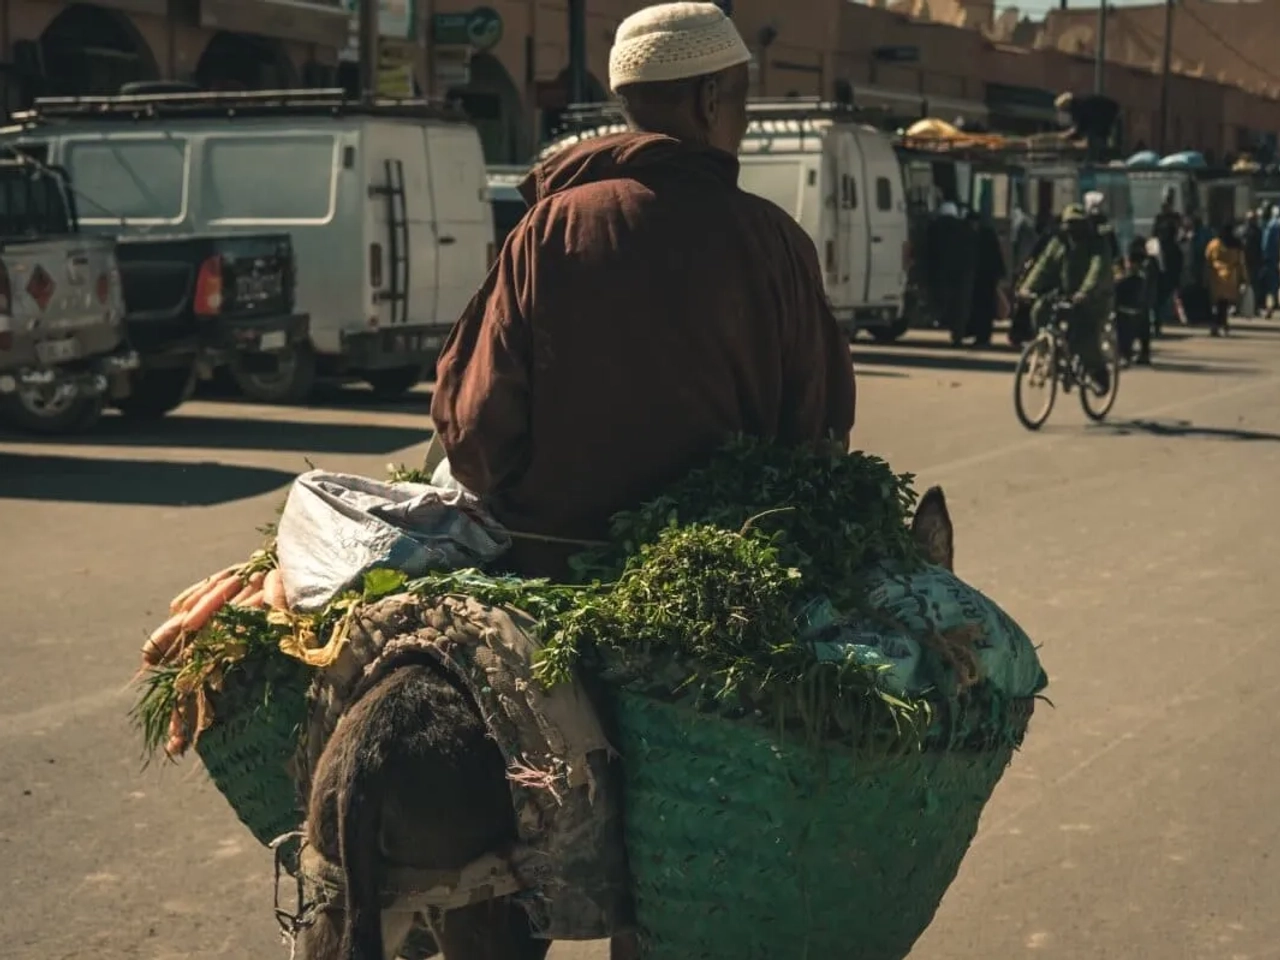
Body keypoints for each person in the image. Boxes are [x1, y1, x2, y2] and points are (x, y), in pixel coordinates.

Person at [430, 1, 856, 583]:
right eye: (742, 103)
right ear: (709, 100)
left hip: (554, 568)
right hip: (727, 583)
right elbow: (822, 437)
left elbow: (477, 429)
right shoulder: (774, 239)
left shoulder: (545, 228)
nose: (746, 122)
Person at [1018, 203, 1115, 392]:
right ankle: (1046, 350)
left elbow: (1097, 270)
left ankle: (1097, 373)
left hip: (1094, 298)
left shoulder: (1097, 243)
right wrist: (1027, 288)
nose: (1072, 229)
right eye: (1069, 224)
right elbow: (1043, 266)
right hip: (1064, 292)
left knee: (1084, 336)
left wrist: (1085, 292)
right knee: (1039, 310)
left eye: (1076, 224)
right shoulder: (1058, 243)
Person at [925, 201, 977, 344]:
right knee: (961, 303)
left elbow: (929, 250)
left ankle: (939, 319)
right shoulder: (965, 228)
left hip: (941, 269)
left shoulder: (934, 228)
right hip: (963, 271)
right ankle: (958, 332)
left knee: (943, 297)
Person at [967, 208, 1006, 348]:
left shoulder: (982, 236)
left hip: (986, 278)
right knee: (982, 309)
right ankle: (981, 336)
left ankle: (983, 337)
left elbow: (995, 256)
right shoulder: (983, 235)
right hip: (983, 278)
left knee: (985, 309)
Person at [1115, 235, 1157, 365]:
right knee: (1143, 329)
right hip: (1142, 304)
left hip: (1130, 306)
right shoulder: (1150, 264)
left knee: (1126, 331)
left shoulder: (1138, 272)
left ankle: (1128, 354)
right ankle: (1142, 354)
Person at [1204, 222, 1246, 337]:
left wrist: (1205, 277)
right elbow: (1241, 262)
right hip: (1231, 277)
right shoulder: (1237, 244)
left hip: (1216, 277)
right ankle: (1223, 324)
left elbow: (1207, 260)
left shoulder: (1214, 244)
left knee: (1216, 304)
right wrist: (1244, 278)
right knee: (1225, 304)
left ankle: (1216, 326)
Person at [1152, 189, 1183, 333]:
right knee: (1159, 289)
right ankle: (1158, 319)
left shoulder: (1175, 218)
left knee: (1170, 286)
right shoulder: (1159, 218)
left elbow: (1180, 234)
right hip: (1160, 256)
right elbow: (1154, 236)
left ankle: (1168, 314)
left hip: (1172, 257)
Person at [1242, 209, 1264, 316]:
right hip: (1249, 261)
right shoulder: (1247, 231)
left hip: (1252, 261)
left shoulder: (1248, 231)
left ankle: (1253, 307)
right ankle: (1248, 307)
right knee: (1249, 285)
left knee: (1253, 285)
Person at [1262, 205, 1280, 319]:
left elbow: (1266, 244)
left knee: (1272, 285)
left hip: (1273, 259)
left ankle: (1270, 308)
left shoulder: (1271, 225)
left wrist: (1265, 256)